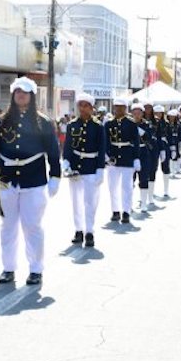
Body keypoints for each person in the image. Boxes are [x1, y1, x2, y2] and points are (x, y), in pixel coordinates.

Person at [0, 77, 61, 285]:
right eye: (17, 91)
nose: (20, 95)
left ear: (32, 96)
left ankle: (36, 269)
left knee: (32, 226)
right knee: (7, 227)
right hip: (7, 179)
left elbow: (53, 151)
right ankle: (8, 268)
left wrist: (55, 176)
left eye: (25, 92)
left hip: (33, 180)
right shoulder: (1, 120)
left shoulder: (42, 121)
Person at [62, 92, 106, 248]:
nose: (82, 108)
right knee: (76, 202)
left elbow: (102, 149)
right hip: (75, 168)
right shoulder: (72, 125)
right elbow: (67, 147)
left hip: (91, 167)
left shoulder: (98, 126)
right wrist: (66, 163)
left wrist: (100, 169)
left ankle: (89, 231)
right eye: (80, 105)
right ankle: (78, 230)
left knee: (90, 202)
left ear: (91, 108)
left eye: (85, 105)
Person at [104, 97, 140, 224]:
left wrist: (136, 158)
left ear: (125, 108)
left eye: (121, 107)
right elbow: (105, 141)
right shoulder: (109, 123)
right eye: (116, 106)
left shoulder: (131, 123)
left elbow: (136, 142)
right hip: (113, 158)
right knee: (112, 187)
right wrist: (106, 155)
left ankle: (126, 212)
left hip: (127, 157)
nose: (118, 109)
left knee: (127, 187)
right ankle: (115, 211)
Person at [133, 102, 156, 213]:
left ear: (142, 114)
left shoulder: (147, 124)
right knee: (129, 180)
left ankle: (143, 203)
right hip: (131, 152)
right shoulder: (129, 123)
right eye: (135, 113)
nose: (137, 115)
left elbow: (150, 138)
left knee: (144, 177)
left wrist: (141, 131)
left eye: (139, 113)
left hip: (143, 152)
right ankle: (129, 204)